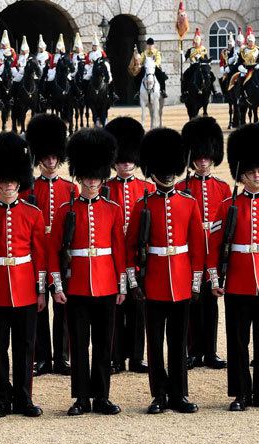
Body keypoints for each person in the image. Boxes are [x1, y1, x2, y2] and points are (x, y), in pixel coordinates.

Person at [207, 124, 259, 412]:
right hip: (238, 280)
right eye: (252, 171)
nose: (257, 176)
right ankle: (241, 392)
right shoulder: (227, 205)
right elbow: (216, 246)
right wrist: (216, 278)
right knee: (238, 340)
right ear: (241, 174)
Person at [49, 128, 126, 417]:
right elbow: (54, 251)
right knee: (79, 345)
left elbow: (118, 250)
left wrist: (121, 285)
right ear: (80, 177)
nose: (92, 181)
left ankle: (102, 396)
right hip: (77, 286)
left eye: (97, 176)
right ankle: (81, 397)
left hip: (106, 285)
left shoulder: (113, 209)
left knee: (104, 345)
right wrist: (58, 286)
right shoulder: (64, 210)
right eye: (88, 176)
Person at [127, 128, 203, 414]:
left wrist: (196, 283)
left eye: (171, 169)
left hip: (181, 280)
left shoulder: (189, 203)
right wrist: (134, 281)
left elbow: (197, 248)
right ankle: (159, 393)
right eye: (162, 169)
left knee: (179, 341)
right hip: (154, 281)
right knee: (156, 342)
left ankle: (179, 394)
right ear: (152, 171)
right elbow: (130, 247)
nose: (168, 174)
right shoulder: (142, 205)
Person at [0, 132, 46, 418]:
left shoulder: (33, 214)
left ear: (20, 182)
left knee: (26, 347)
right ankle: (1, 398)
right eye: (3, 182)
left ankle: (24, 398)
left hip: (25, 288)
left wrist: (41, 290)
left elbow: (39, 256)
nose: (7, 186)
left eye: (12, 181)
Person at [26, 114, 77, 375]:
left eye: (54, 157)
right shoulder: (30, 189)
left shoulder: (71, 189)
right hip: (37, 256)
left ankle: (62, 356)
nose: (50, 161)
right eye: (45, 158)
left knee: (62, 307)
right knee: (38, 308)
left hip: (61, 253)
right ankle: (42, 357)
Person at [177, 117, 229, 369]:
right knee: (190, 304)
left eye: (207, 157)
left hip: (215, 253)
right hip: (190, 255)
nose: (203, 161)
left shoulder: (223, 188)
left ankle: (211, 351)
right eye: (198, 157)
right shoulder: (181, 187)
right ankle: (192, 350)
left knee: (211, 303)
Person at [105, 117, 154, 374]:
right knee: (115, 307)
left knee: (138, 308)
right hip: (113, 256)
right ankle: (115, 357)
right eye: (121, 159)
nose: (125, 163)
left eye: (129, 159)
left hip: (137, 255)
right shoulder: (105, 189)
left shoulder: (147, 188)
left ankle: (136, 356)